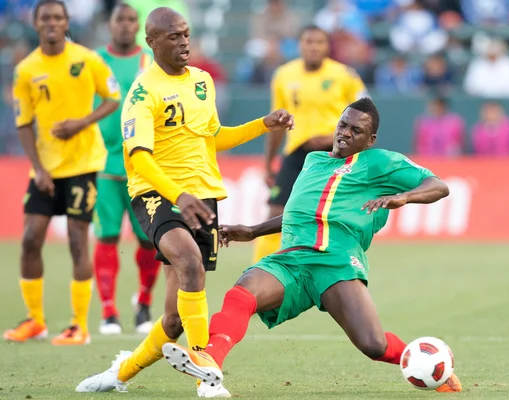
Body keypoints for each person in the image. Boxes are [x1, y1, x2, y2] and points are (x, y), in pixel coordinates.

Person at [165, 98, 461, 397]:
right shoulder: (313, 161)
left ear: (370, 139)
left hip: (336, 262)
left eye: (356, 130)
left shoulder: (380, 162)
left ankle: (431, 366)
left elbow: (438, 186)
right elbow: (299, 212)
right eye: (342, 125)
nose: (345, 133)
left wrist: (405, 197)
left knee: (373, 345)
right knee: (242, 293)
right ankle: (210, 362)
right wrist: (253, 231)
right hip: (291, 260)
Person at [75, 7, 293, 397]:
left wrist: (264, 125)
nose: (183, 42)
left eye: (186, 34)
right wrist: (178, 194)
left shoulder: (203, 82)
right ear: (152, 42)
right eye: (173, 36)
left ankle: (120, 373)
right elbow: (139, 156)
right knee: (189, 262)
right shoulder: (142, 92)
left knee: (174, 317)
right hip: (158, 194)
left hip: (202, 196)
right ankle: (204, 372)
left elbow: (215, 137)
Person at [3, 0, 120, 345]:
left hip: (83, 165)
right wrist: (38, 168)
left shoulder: (87, 59)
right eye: (45, 18)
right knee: (29, 240)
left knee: (76, 241)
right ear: (36, 23)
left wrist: (82, 123)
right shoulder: (25, 69)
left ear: (66, 22)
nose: (52, 22)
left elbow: (112, 98)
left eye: (58, 17)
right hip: (45, 170)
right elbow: (23, 122)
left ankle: (78, 325)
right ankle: (35, 321)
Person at [255, 25, 368, 264]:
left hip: (334, 153)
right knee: (276, 212)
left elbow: (366, 116)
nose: (314, 47)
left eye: (319, 42)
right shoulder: (284, 75)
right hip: (296, 152)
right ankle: (260, 269)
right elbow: (276, 123)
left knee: (331, 216)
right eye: (308, 41)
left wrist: (333, 137)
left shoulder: (344, 75)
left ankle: (340, 266)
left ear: (327, 46)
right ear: (299, 45)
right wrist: (268, 164)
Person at [93, 3, 158, 336]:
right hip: (102, 165)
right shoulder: (93, 62)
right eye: (120, 19)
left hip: (143, 166)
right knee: (107, 236)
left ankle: (144, 304)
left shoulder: (150, 61)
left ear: (139, 26)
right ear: (110, 24)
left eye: (132, 20)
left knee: (148, 239)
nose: (126, 25)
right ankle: (108, 311)